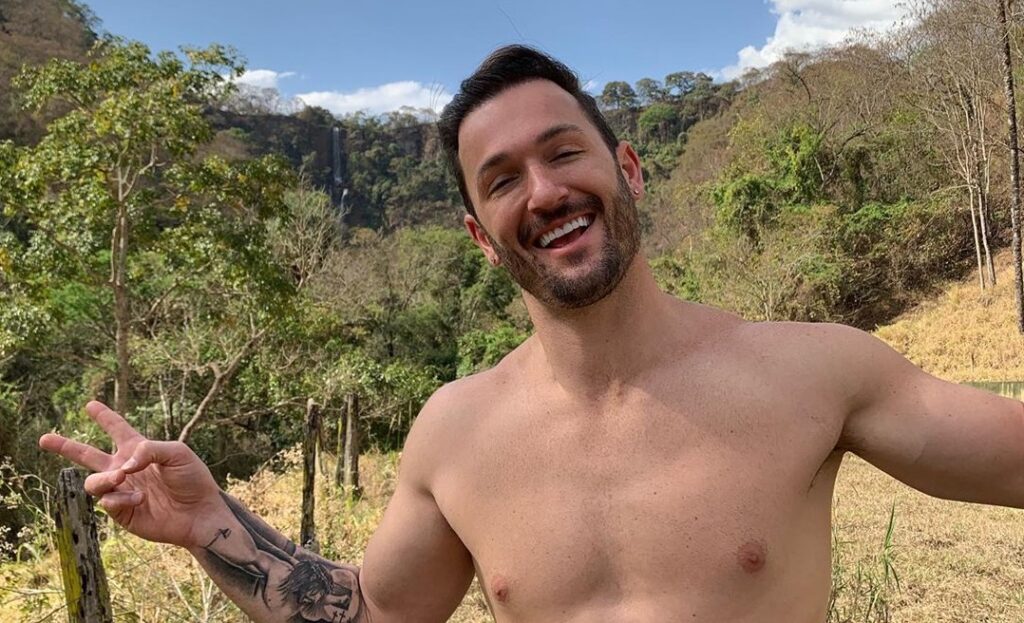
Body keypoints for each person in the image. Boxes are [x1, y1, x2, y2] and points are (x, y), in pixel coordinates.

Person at [39, 45, 1024, 623]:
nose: (544, 191)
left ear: (628, 170)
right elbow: (376, 611)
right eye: (503, 179)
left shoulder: (815, 370)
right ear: (480, 234)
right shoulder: (455, 431)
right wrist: (210, 521)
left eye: (563, 153)